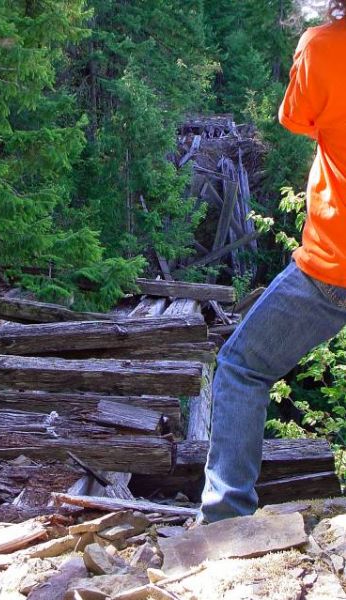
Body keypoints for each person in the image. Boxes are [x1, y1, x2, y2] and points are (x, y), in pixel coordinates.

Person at [198, 0, 346, 524]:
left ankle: (225, 520)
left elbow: (296, 118)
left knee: (242, 366)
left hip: (334, 264)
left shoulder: (325, 46)